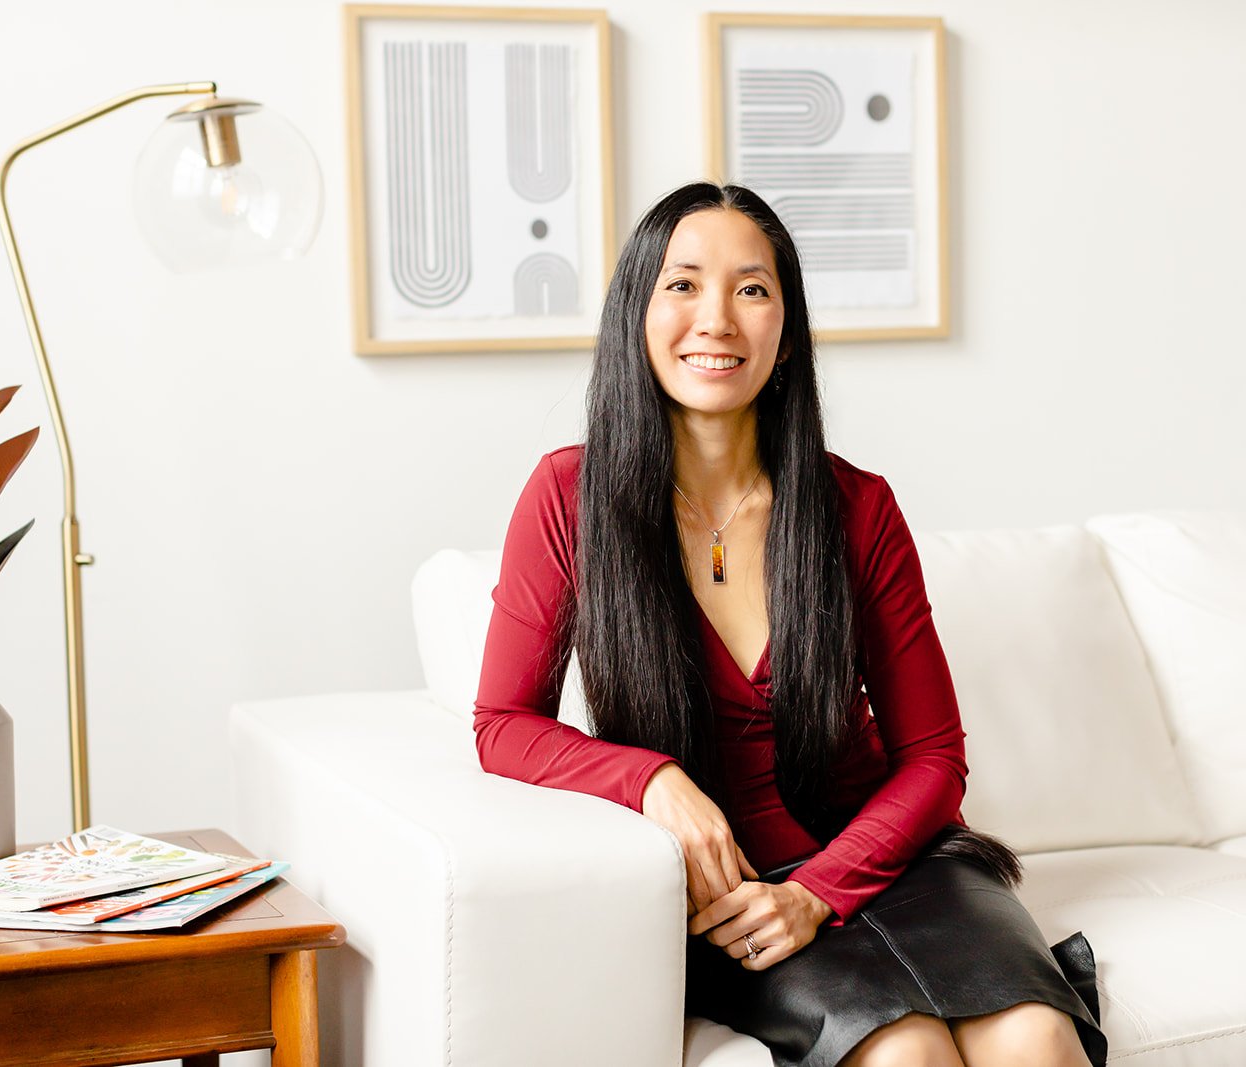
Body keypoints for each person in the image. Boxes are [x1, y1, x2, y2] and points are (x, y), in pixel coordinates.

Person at [473, 181, 1106, 1067]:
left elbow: (934, 756)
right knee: (904, 1051)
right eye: (684, 284)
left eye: (753, 288)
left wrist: (820, 889)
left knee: (1037, 1034)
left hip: (890, 865)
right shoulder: (568, 497)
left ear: (787, 324)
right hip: (727, 904)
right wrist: (651, 780)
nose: (717, 319)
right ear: (635, 311)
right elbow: (502, 726)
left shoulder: (857, 506)